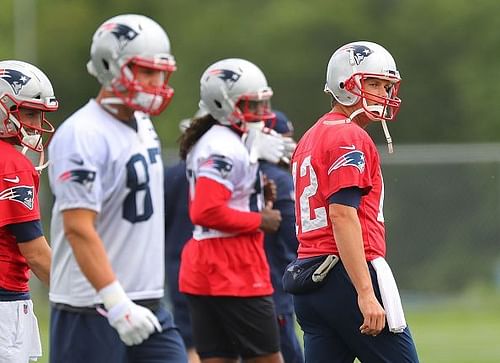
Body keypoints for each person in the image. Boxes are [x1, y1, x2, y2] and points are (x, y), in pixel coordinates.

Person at [48, 14, 187, 363]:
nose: (156, 82)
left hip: (148, 301)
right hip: (90, 306)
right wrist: (116, 302)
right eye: (145, 71)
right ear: (110, 66)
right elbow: (78, 228)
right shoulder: (82, 133)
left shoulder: (142, 123)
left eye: (160, 72)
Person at [287, 41, 419, 362]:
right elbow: (342, 214)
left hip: (310, 275)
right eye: (373, 83)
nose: (383, 94)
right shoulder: (349, 135)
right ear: (344, 84)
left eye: (386, 86)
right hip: (345, 272)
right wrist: (364, 291)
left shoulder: (310, 136)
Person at [178, 58, 285, 363]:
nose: (263, 115)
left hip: (207, 262)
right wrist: (259, 219)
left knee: (218, 358)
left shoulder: (217, 139)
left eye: (264, 105)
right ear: (223, 104)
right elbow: (205, 211)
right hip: (231, 265)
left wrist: (253, 194)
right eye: (253, 105)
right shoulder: (224, 146)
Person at [0, 60, 58, 363]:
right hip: (4, 304)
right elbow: (36, 253)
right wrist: (89, 297)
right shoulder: (11, 164)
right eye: (30, 112)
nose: (37, 124)